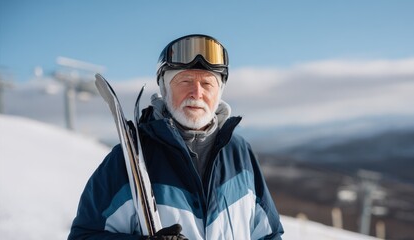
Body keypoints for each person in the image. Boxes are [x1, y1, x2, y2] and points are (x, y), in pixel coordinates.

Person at [68, 34, 284, 239]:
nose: (197, 93)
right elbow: (83, 236)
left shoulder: (239, 152)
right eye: (185, 81)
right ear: (164, 88)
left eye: (207, 83)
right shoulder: (129, 159)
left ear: (219, 92)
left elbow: (268, 234)